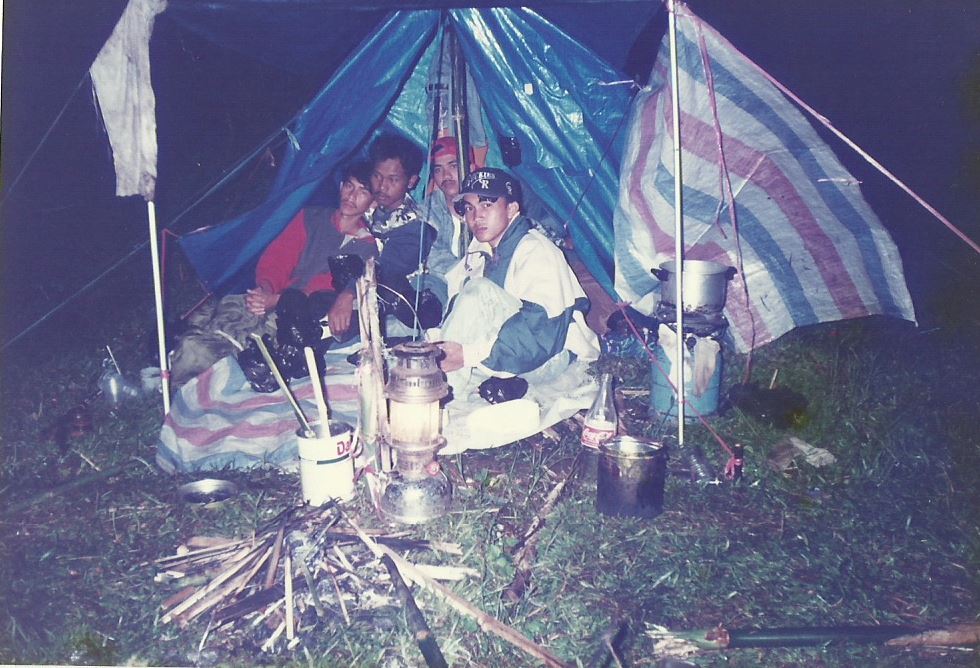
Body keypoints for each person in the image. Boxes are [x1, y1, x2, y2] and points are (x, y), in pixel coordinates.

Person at [169, 160, 378, 387]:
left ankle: (204, 374)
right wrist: (266, 288)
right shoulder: (311, 217)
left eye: (362, 191)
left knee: (242, 348)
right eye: (349, 186)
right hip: (273, 295)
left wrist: (276, 301)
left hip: (301, 314)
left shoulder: (366, 246)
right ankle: (185, 370)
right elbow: (278, 258)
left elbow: (325, 289)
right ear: (340, 187)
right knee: (221, 322)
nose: (351, 195)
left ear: (372, 202)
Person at [432, 168, 599, 395]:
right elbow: (457, 309)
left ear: (511, 209)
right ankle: (440, 383)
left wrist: (467, 355)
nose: (476, 216)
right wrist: (435, 343)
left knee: (479, 290)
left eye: (487, 204)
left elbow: (540, 333)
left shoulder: (536, 250)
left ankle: (438, 395)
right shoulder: (479, 250)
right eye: (469, 208)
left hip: (550, 356)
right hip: (504, 350)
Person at [367, 132, 442, 329]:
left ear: (411, 181)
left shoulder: (416, 224)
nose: (382, 186)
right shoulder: (365, 208)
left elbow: (388, 269)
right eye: (377, 176)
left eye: (393, 179)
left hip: (398, 295)